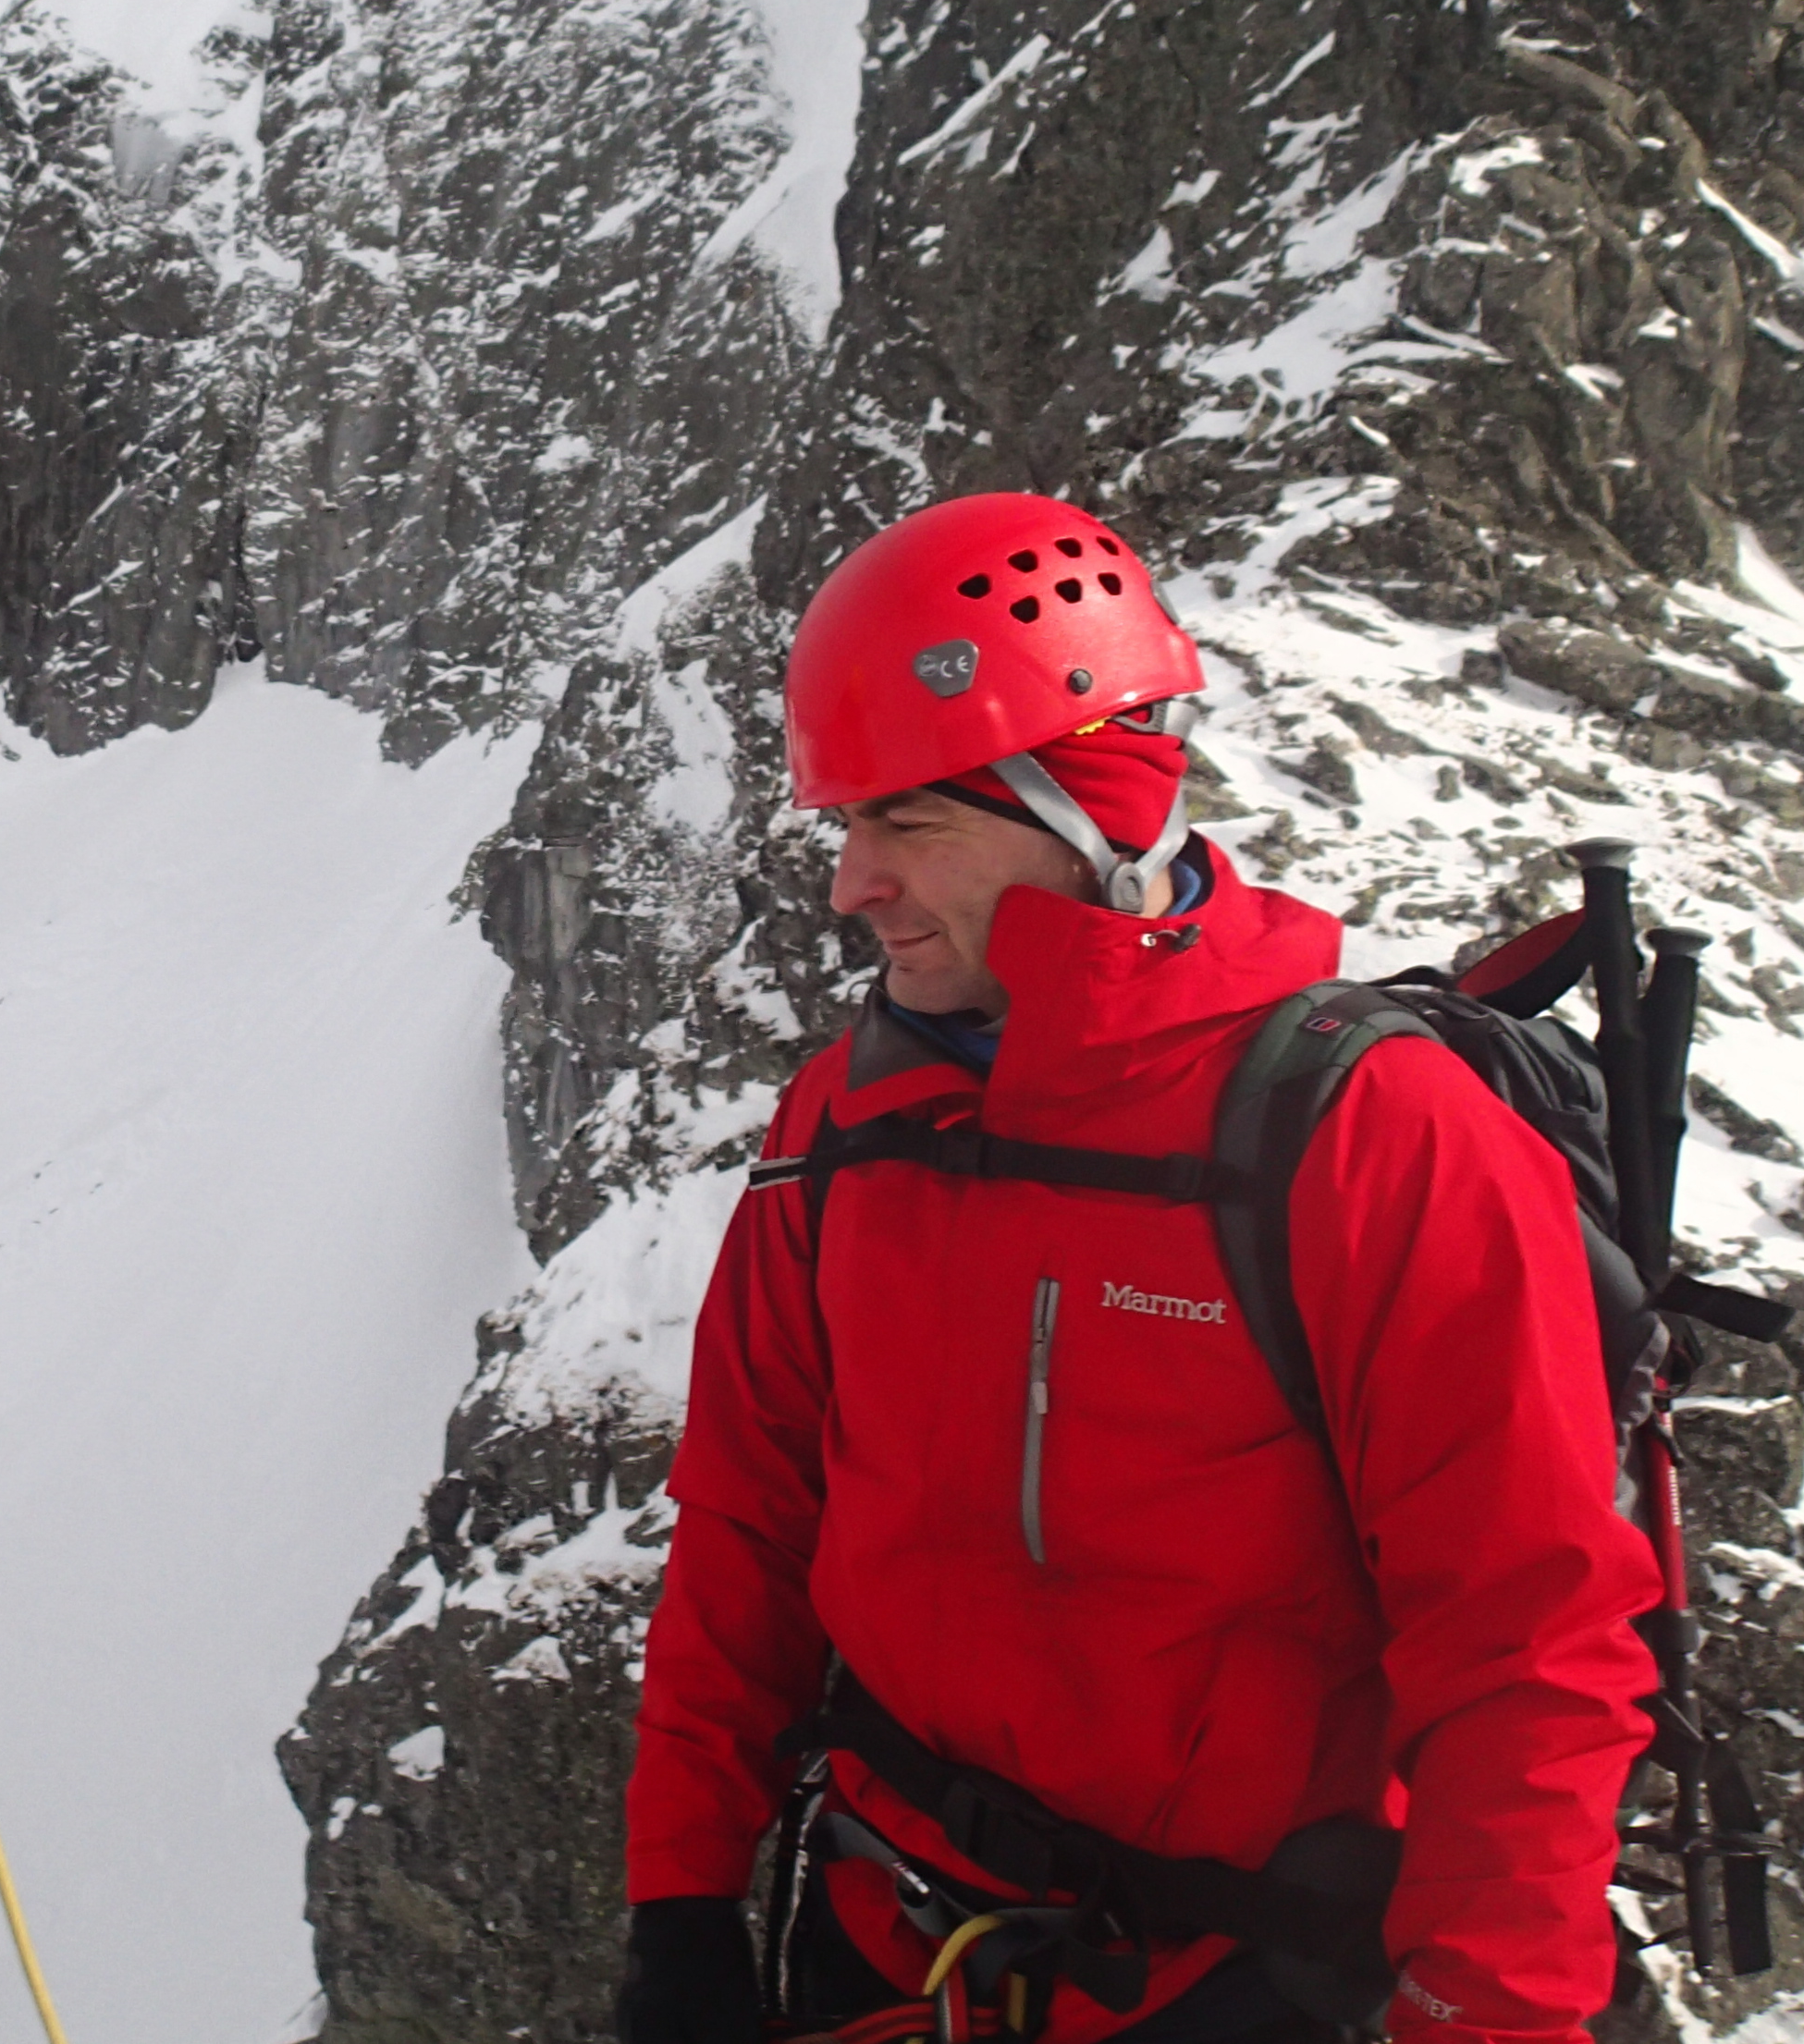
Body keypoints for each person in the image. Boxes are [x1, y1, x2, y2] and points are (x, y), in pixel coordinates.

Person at [613, 495, 1660, 2044]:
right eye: (847, 826)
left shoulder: (1367, 1135)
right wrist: (681, 1903)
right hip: (891, 1951)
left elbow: (1528, 1644)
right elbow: (749, 1524)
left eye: (908, 822)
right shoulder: (845, 1119)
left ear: (1085, 812)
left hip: (1238, 1987)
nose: (851, 884)